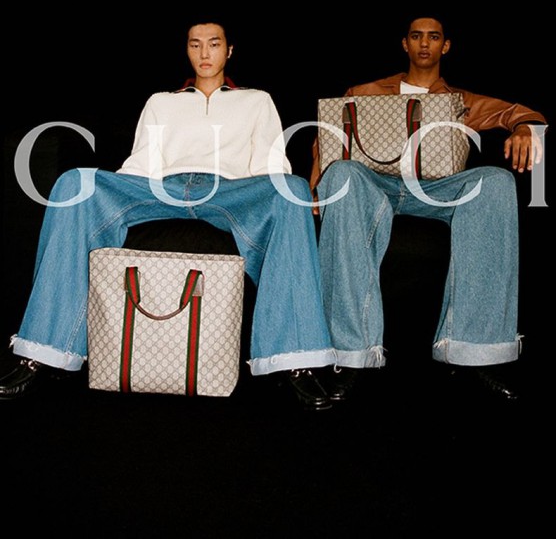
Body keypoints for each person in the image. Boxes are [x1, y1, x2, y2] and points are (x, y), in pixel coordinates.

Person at [0, 20, 337, 410]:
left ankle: (294, 360)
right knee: (76, 183)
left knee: (292, 188)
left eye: (214, 44)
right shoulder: (161, 102)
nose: (204, 53)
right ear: (187, 50)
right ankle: (43, 351)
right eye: (195, 44)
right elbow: (141, 164)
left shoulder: (257, 100)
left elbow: (269, 165)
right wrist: (113, 192)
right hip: (163, 189)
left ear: (229, 50)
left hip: (229, 190)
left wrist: (276, 192)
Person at [310, 15, 547, 402]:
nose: (424, 43)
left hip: (436, 188)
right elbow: (328, 138)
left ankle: (474, 351)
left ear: (445, 45)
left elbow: (518, 112)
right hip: (374, 185)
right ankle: (350, 355)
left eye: (433, 37)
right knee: (341, 174)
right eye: (417, 36)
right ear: (405, 43)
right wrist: (316, 186)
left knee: (495, 181)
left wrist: (524, 128)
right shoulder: (365, 91)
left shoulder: (459, 100)